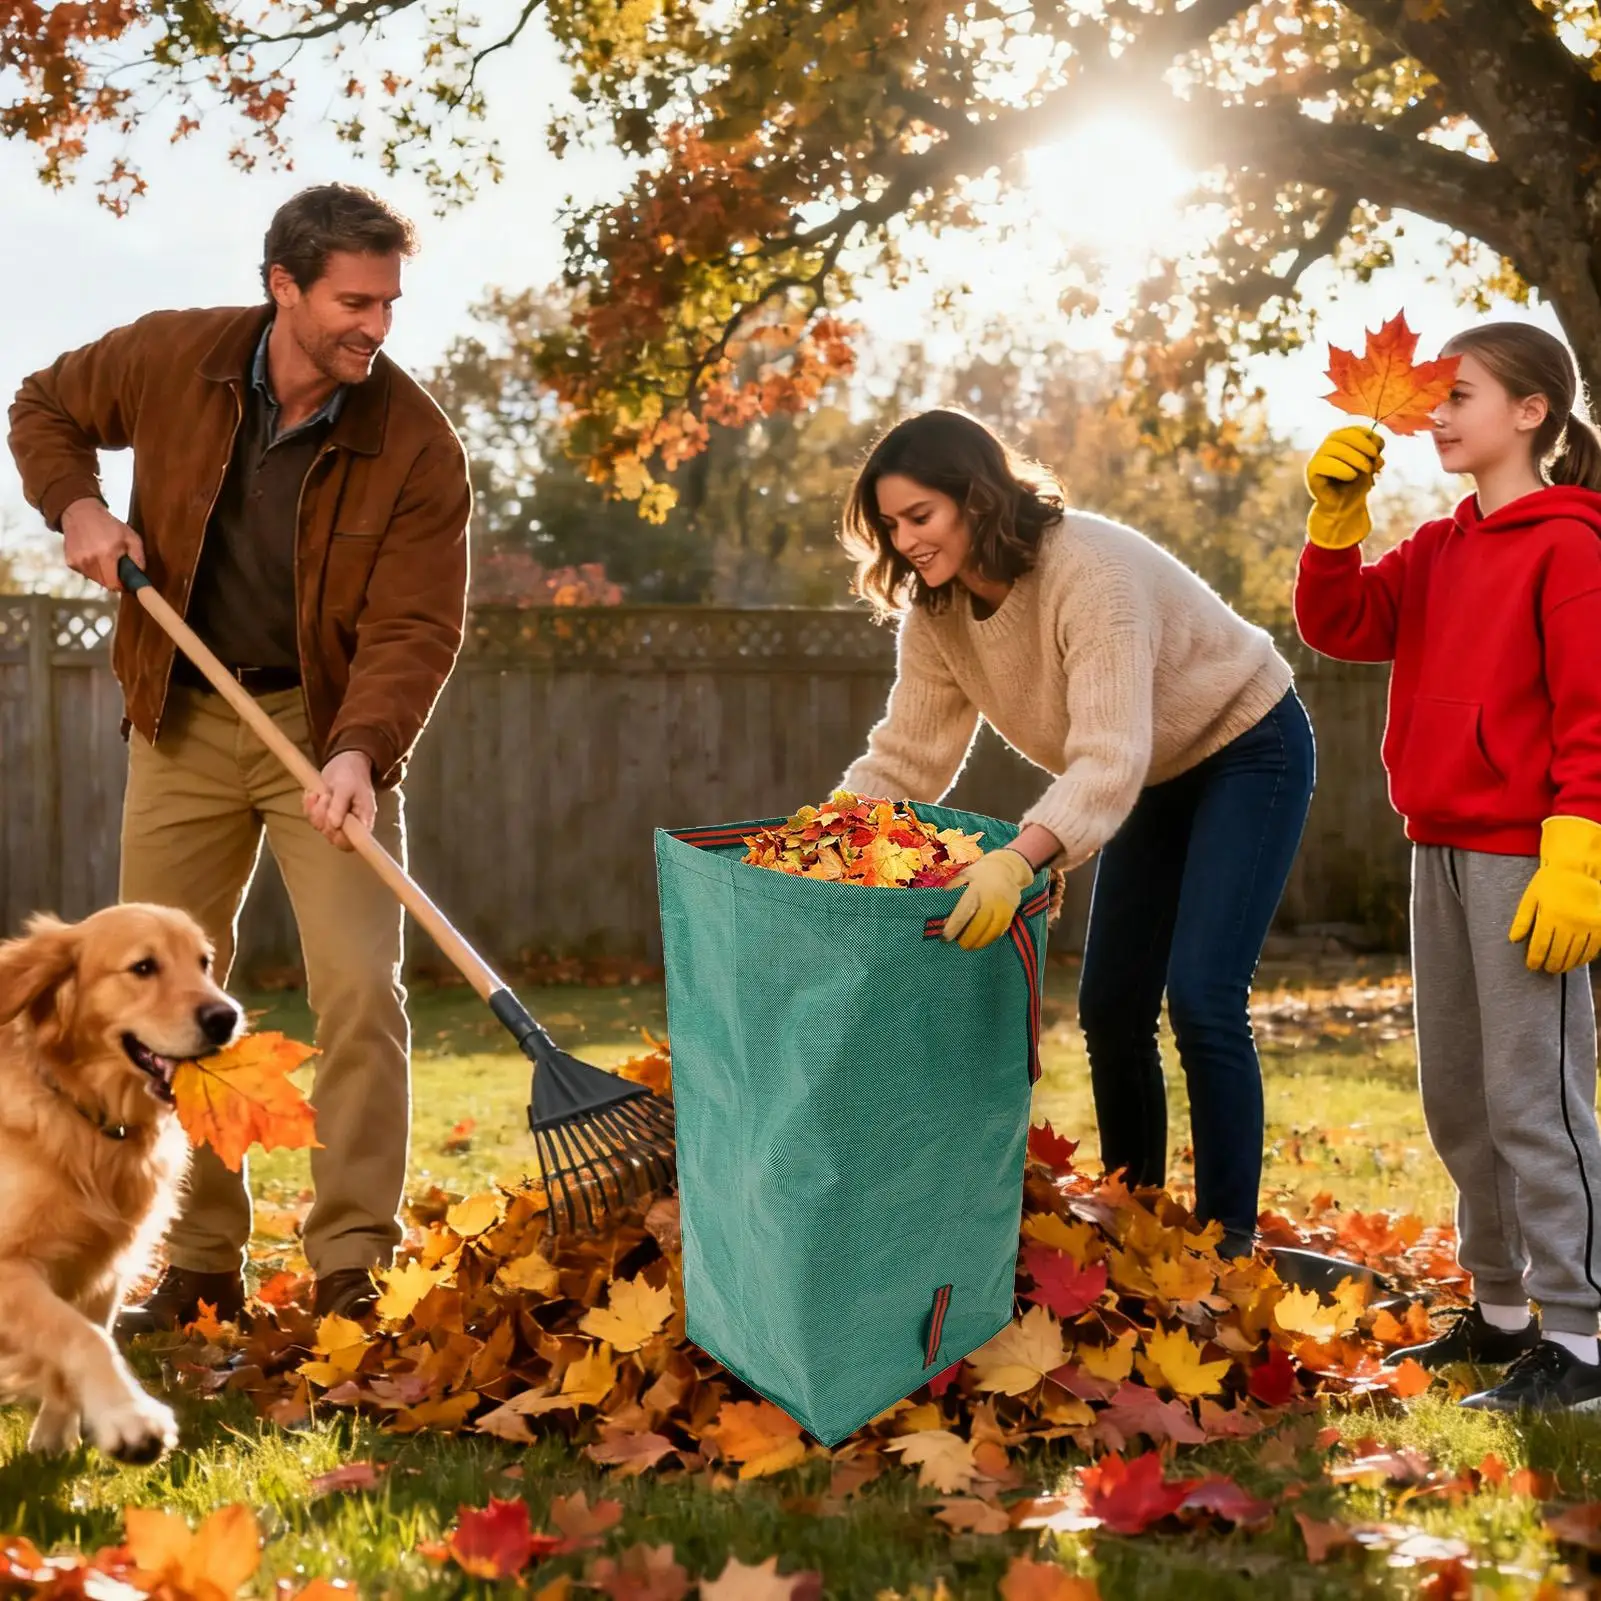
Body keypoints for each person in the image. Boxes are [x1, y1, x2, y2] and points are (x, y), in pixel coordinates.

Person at [7, 183, 472, 1329]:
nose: (376, 324)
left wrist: (362, 750)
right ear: (283, 287)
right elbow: (42, 406)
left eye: (388, 302)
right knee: (162, 999)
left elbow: (417, 625)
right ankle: (204, 1255)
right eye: (353, 301)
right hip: (182, 719)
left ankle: (354, 1258)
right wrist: (76, 506)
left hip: (326, 735)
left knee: (362, 985)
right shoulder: (176, 359)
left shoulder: (412, 443)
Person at [837, 409, 1315, 1259]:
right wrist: (823, 842)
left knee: (1202, 997)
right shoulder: (937, 613)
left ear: (976, 498)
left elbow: (1107, 755)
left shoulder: (1089, 570)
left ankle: (1227, 1247)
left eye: (921, 516)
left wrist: (1018, 859)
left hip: (1245, 743)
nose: (904, 540)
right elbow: (906, 758)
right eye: (890, 524)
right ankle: (1139, 1227)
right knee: (1110, 1006)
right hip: (1147, 772)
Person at [1295, 322, 1601, 1412]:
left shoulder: (1569, 544)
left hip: (1531, 856)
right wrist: (1334, 522)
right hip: (1437, 845)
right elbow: (1335, 622)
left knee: (1535, 1101)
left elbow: (1589, 710)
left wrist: (1578, 851)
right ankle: (1503, 1312)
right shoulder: (1433, 548)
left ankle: (1580, 1339)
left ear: (1528, 412)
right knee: (1458, 1099)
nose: (1434, 412)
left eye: (1456, 394)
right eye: (1431, 395)